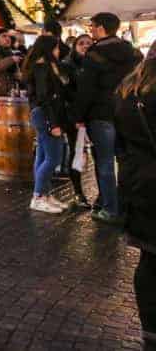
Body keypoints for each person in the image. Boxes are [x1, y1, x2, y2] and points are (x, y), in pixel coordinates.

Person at [72, 12, 143, 225]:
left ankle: (110, 209)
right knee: (125, 161)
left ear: (101, 28)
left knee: (104, 163)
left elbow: (86, 89)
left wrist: (78, 116)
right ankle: (125, 206)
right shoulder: (132, 52)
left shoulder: (94, 54)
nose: (90, 29)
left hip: (101, 114)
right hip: (126, 113)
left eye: (92, 26)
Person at [113, 51, 156, 350]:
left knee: (149, 259)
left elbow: (120, 145)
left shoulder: (126, 90)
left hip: (139, 183)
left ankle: (150, 328)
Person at [23, 35, 71, 214]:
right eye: (56, 48)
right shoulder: (42, 67)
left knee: (43, 157)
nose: (59, 51)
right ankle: (38, 197)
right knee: (53, 158)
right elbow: (45, 98)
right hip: (46, 115)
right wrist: (53, 123)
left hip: (42, 114)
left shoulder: (44, 65)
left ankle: (44, 193)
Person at [62, 34, 95, 209]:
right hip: (75, 117)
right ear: (74, 46)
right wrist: (78, 116)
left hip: (95, 115)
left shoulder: (96, 64)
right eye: (81, 43)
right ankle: (78, 192)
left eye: (89, 43)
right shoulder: (68, 65)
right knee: (78, 152)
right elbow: (67, 93)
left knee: (96, 154)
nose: (85, 46)